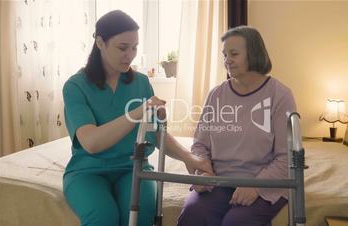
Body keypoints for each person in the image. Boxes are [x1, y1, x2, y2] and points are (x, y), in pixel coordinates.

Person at [62, 10, 212, 226]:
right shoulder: (76, 86)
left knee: (140, 215)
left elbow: (156, 134)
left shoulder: (140, 83)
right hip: (87, 172)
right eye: (123, 48)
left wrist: (188, 158)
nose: (130, 55)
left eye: (134, 48)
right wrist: (139, 111)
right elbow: (92, 143)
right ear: (100, 42)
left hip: (132, 168)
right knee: (103, 217)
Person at [177, 26, 296, 226]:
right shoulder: (216, 94)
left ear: (254, 54)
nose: (227, 60)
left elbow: (286, 157)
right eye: (225, 55)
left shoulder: (280, 95)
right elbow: (200, 144)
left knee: (237, 222)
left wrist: (256, 187)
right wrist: (202, 172)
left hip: (263, 182)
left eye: (234, 54)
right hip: (218, 181)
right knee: (193, 214)